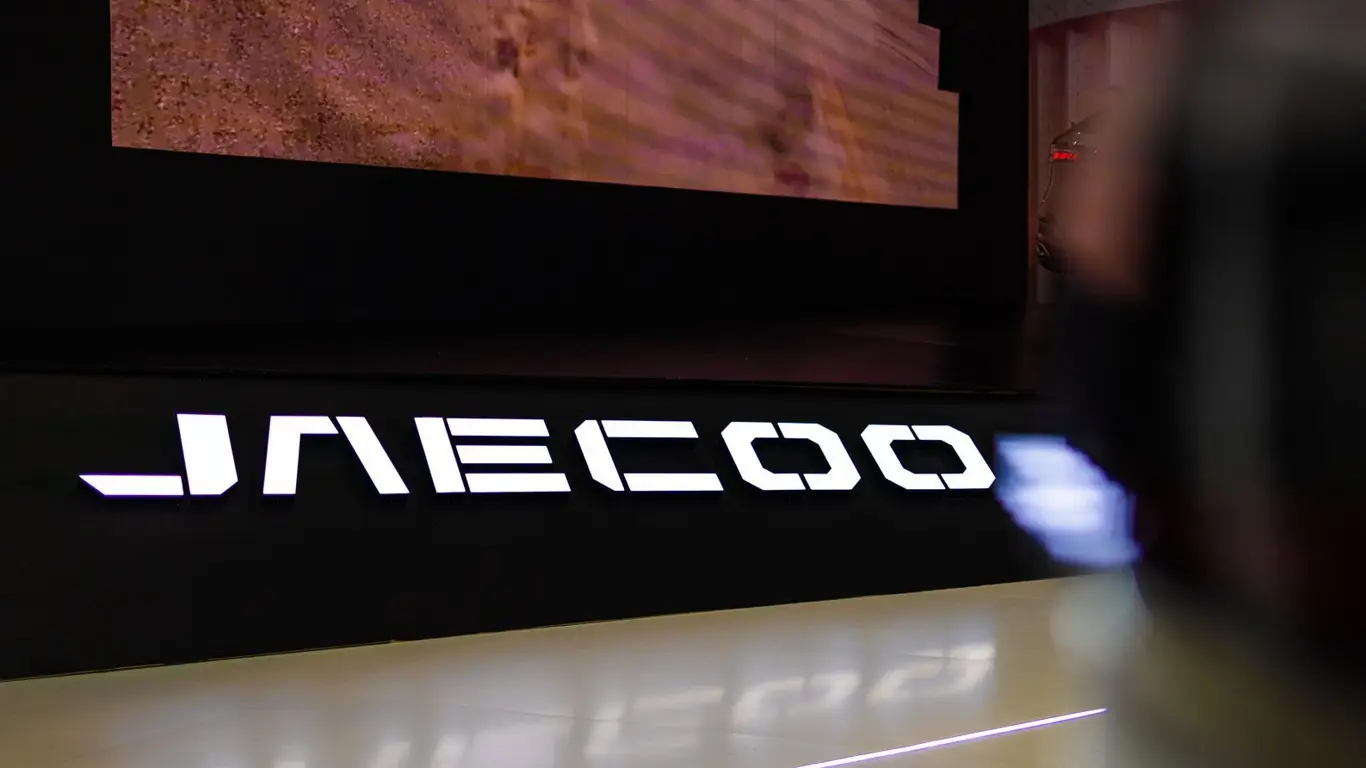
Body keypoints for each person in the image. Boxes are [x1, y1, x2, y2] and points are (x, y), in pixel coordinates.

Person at [1042, 0, 1366, 764]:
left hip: (1240, 639)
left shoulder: (1249, 87)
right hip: (1229, 630)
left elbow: (1102, 301)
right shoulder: (1237, 80)